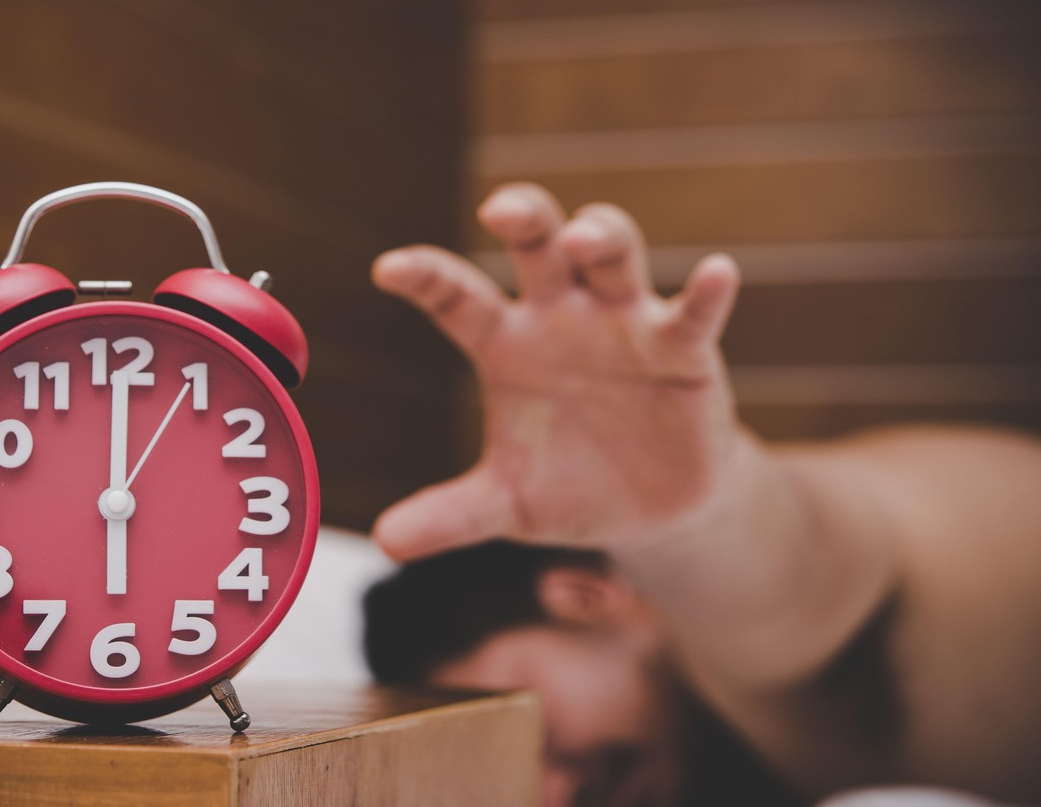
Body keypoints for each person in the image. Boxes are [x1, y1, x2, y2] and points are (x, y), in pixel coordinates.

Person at [363, 183, 1041, 806]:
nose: (552, 794)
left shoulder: (765, 609)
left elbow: (794, 594)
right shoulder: (690, 751)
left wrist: (693, 524)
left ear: (586, 596)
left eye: (528, 732)